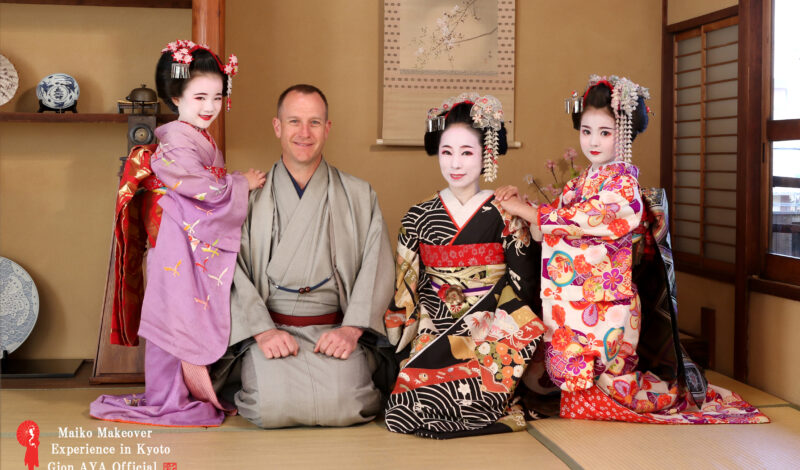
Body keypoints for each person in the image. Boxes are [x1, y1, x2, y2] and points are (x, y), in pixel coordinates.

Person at [495, 75, 768, 424]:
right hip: (574, 296)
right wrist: (520, 206)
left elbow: (578, 222)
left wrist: (531, 212)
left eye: (605, 132)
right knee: (559, 368)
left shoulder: (622, 185)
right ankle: (576, 398)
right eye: (587, 131)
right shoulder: (583, 181)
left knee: (602, 378)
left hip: (604, 301)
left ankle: (595, 398)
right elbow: (550, 227)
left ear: (623, 134)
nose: (593, 141)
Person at [91, 40, 266, 427]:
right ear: (176, 96)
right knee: (171, 318)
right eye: (200, 96)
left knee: (180, 316)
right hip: (175, 240)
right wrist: (240, 183)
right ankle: (165, 397)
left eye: (217, 97)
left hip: (186, 237)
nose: (209, 107)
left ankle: (180, 392)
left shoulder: (197, 136)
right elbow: (202, 189)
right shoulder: (173, 141)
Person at [225, 84, 395, 428]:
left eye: (315, 123)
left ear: (327, 129)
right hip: (271, 333)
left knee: (349, 404)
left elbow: (377, 267)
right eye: (294, 122)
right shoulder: (246, 198)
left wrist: (350, 330)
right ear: (277, 127)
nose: (304, 133)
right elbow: (229, 270)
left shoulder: (359, 194)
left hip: (334, 332)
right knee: (268, 407)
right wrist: (262, 332)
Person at [383, 93, 545, 439]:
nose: (455, 163)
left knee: (473, 386)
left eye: (467, 153)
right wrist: (404, 339)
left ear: (486, 155)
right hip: (435, 325)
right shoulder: (417, 217)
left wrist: (490, 325)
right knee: (407, 404)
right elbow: (407, 290)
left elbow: (523, 286)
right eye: (447, 152)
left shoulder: (507, 212)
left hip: (493, 331)